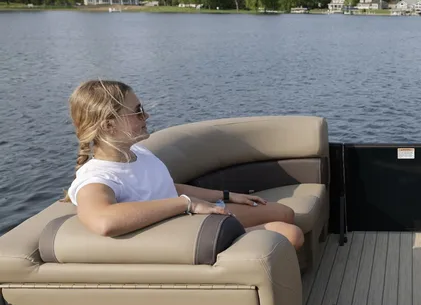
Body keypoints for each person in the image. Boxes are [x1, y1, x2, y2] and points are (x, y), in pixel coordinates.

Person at [63, 79, 304, 249]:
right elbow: (103, 220)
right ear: (108, 125)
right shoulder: (97, 178)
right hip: (185, 235)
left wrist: (228, 195)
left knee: (283, 212)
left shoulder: (137, 154)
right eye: (137, 112)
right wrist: (186, 204)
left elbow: (166, 187)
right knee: (290, 234)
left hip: (190, 217)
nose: (146, 116)